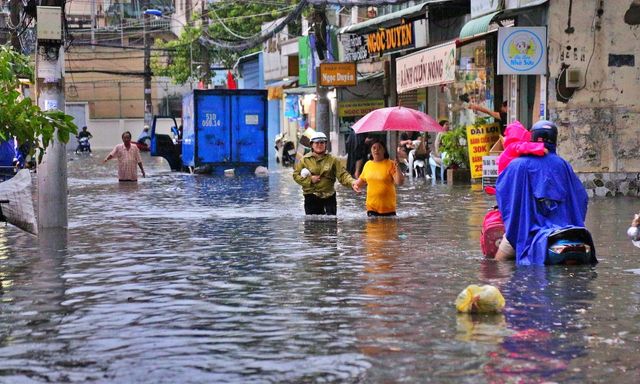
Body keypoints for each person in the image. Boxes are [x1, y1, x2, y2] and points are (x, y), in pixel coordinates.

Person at [495, 120, 590, 265]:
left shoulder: (517, 165)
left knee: (498, 263)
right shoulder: (563, 165)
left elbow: (504, 196)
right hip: (567, 232)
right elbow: (581, 198)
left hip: (528, 234)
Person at [293, 132, 360, 215]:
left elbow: (343, 175)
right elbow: (296, 176)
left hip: (329, 197)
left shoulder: (333, 160)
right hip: (311, 197)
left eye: (322, 142)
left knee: (331, 224)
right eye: (316, 143)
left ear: (325, 144)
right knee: (312, 225)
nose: (319, 145)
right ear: (312, 145)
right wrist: (310, 180)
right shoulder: (304, 160)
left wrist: (352, 182)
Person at [353, 138, 405, 216]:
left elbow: (399, 182)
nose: (376, 150)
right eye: (374, 148)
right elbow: (360, 182)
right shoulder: (368, 165)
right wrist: (355, 186)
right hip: (371, 208)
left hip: (388, 209)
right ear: (370, 151)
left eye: (379, 147)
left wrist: (397, 166)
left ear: (384, 150)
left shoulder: (390, 164)